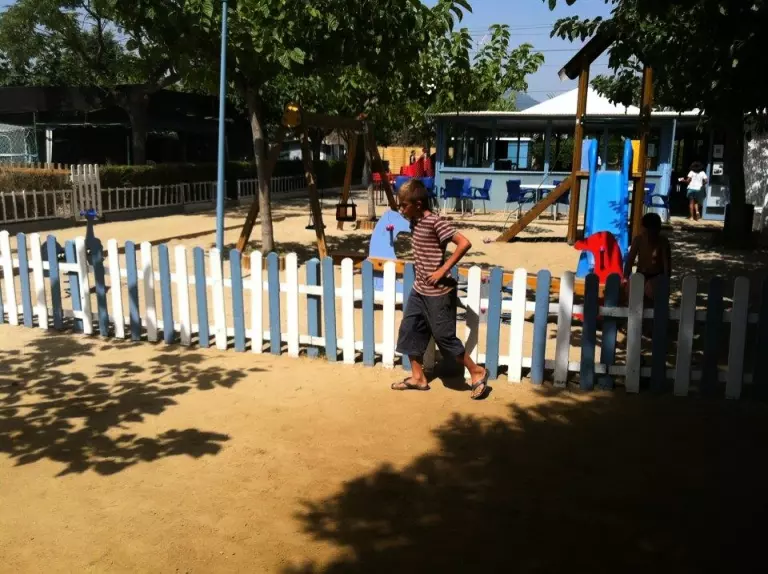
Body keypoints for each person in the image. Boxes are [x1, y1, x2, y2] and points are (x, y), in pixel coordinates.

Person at [392, 179, 489, 399]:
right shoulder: (415, 221)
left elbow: (464, 242)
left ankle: (476, 371)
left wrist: (443, 270)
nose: (401, 209)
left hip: (437, 293)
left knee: (444, 338)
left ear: (418, 204)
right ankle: (418, 377)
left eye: (404, 205)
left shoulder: (435, 222)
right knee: (409, 330)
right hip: (419, 290)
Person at [623, 212, 672, 302]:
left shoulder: (663, 242)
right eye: (646, 232)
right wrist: (625, 277)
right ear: (643, 229)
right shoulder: (638, 240)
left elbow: (667, 265)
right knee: (630, 290)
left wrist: (666, 282)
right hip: (640, 274)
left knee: (650, 289)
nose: (649, 236)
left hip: (656, 276)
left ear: (658, 230)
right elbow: (630, 261)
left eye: (652, 233)